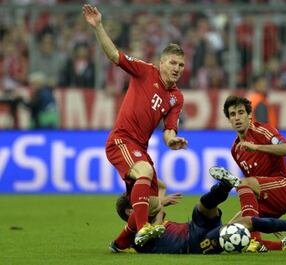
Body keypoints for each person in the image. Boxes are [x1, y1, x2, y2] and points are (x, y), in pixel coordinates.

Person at [83, 4, 188, 251]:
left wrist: (172, 141)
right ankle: (142, 231)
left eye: (181, 65)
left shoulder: (177, 97)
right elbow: (114, 55)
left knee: (153, 204)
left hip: (139, 146)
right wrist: (98, 26)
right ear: (161, 62)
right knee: (145, 172)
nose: (176, 69)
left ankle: (120, 243)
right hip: (121, 140)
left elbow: (169, 130)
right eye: (172, 63)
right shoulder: (144, 71)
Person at [111, 175, 286, 254]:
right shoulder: (134, 231)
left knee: (202, 206)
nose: (145, 199)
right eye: (140, 200)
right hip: (196, 245)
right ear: (131, 210)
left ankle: (222, 187)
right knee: (245, 223)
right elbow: (116, 245)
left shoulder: (150, 220)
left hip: (192, 228)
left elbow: (159, 194)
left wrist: (152, 194)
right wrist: (158, 204)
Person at [210, 95, 286, 251]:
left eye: (241, 112)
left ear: (249, 115)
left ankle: (255, 240)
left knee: (244, 183)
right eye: (232, 114)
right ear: (229, 120)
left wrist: (257, 147)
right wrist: (269, 221)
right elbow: (251, 186)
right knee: (226, 234)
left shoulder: (263, 130)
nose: (237, 118)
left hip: (285, 187)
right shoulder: (235, 150)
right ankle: (284, 245)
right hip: (266, 199)